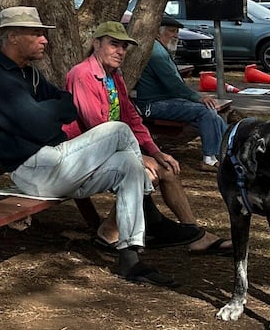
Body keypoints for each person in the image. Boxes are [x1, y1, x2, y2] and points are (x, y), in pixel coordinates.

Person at [0, 6, 175, 288]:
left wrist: (49, 110)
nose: (45, 40)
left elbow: (65, 103)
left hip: (56, 162)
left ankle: (130, 259)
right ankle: (150, 213)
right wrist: (51, 111)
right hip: (34, 170)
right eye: (37, 34)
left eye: (44, 34)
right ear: (13, 36)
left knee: (128, 165)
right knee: (118, 130)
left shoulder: (25, 72)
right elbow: (45, 126)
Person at [63, 22, 231, 255]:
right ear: (96, 44)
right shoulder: (82, 74)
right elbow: (99, 129)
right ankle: (110, 232)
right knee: (147, 175)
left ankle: (195, 235)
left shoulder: (114, 75)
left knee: (166, 168)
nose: (120, 51)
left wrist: (155, 151)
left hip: (111, 148)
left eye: (124, 46)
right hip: (84, 154)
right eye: (114, 44)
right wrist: (138, 157)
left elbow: (131, 117)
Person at [134, 16, 230, 170]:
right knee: (205, 111)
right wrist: (197, 98)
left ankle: (228, 151)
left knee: (211, 112)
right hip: (153, 105)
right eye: (171, 31)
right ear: (158, 34)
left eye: (177, 31)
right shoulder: (155, 52)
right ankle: (209, 159)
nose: (176, 35)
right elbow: (173, 84)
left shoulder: (161, 49)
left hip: (168, 101)